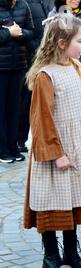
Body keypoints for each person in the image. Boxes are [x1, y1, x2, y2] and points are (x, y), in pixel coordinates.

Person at [23, 14, 81, 268]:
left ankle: (72, 253)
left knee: (72, 199)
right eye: (79, 40)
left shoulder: (76, 67)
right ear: (62, 43)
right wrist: (56, 154)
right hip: (55, 150)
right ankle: (51, 255)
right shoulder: (45, 76)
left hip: (76, 145)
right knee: (52, 201)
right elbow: (42, 119)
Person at [16, 0, 54, 154]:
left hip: (52, 58)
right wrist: (38, 50)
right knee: (25, 102)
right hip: (30, 58)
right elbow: (25, 29)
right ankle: (20, 139)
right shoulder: (24, 2)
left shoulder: (52, 3)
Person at [0, 0, 34, 163]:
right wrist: (8, 34)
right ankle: (2, 150)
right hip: (1, 67)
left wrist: (19, 33)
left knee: (15, 109)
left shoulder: (23, 5)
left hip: (19, 65)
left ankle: (13, 147)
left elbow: (31, 31)